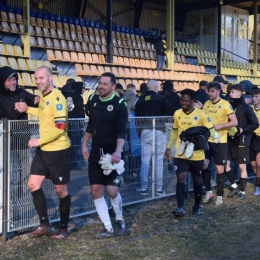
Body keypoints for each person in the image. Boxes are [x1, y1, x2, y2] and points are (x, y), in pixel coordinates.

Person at [15, 66, 71, 239]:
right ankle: (44, 224)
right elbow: (42, 114)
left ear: (50, 78)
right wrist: (27, 110)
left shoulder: (58, 98)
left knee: (61, 191)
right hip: (43, 150)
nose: (38, 81)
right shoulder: (44, 98)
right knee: (33, 184)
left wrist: (38, 140)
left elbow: (60, 128)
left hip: (58, 151)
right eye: (36, 78)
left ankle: (63, 228)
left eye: (41, 78)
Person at [82, 72, 128, 239]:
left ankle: (120, 219)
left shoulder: (120, 104)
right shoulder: (93, 101)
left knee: (112, 191)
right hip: (96, 153)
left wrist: (118, 151)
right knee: (95, 191)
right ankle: (108, 228)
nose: (101, 86)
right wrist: (84, 144)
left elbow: (123, 131)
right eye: (100, 83)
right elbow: (90, 125)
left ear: (113, 87)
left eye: (105, 84)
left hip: (113, 154)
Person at [165, 88, 214, 217]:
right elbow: (175, 131)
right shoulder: (177, 113)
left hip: (196, 154)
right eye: (182, 100)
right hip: (180, 153)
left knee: (197, 179)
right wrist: (169, 147)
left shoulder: (201, 114)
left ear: (193, 101)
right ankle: (180, 207)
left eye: (186, 100)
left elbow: (210, 130)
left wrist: (208, 153)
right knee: (181, 177)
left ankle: (197, 205)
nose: (183, 102)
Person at [0, 66, 39, 225]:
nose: (13, 82)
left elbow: (33, 100)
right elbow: (4, 122)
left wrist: (37, 99)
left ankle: (25, 209)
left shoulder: (21, 92)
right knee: (11, 181)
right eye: (9, 79)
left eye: (14, 79)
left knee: (28, 178)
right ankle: (11, 216)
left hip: (25, 143)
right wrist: (19, 111)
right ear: (2, 81)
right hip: (8, 145)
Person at [135, 79, 178, 195]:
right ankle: (158, 188)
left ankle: (144, 187)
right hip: (159, 131)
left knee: (145, 161)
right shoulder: (160, 99)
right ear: (156, 88)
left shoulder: (139, 101)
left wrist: (140, 132)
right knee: (158, 161)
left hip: (144, 131)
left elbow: (137, 120)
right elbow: (172, 111)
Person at [202, 81, 238, 206]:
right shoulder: (206, 104)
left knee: (219, 169)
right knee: (204, 165)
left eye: (212, 91)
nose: (210, 93)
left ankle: (220, 195)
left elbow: (234, 122)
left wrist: (220, 126)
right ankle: (208, 191)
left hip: (221, 141)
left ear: (218, 92)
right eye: (209, 91)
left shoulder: (225, 104)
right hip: (207, 140)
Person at [224, 84, 258, 200]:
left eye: (232, 92)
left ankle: (242, 191)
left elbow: (255, 123)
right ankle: (234, 186)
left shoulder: (246, 108)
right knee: (225, 165)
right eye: (230, 92)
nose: (230, 94)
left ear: (239, 93)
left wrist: (243, 130)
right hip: (229, 140)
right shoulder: (227, 105)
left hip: (242, 140)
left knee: (241, 167)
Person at [250, 87, 260, 195]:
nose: (254, 99)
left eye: (256, 96)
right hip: (251, 138)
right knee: (253, 164)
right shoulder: (250, 109)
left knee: (259, 163)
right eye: (253, 96)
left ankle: (257, 185)